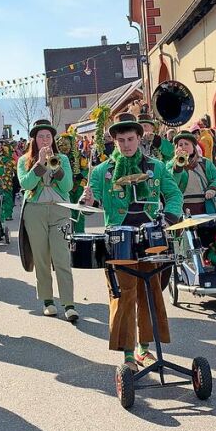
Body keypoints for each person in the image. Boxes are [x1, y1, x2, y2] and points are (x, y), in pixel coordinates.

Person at [81, 113, 183, 369]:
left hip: (150, 235)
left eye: (130, 139)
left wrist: (168, 218)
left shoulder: (155, 167)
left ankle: (144, 348)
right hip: (119, 237)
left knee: (149, 293)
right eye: (121, 141)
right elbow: (86, 206)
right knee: (123, 294)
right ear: (114, 142)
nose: (126, 145)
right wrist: (87, 201)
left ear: (140, 138)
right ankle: (128, 354)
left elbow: (173, 195)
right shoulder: (103, 171)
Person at [17, 119, 77, 322]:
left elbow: (68, 186)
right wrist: (40, 164)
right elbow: (26, 184)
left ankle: (68, 303)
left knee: (62, 258)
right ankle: (48, 300)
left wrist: (56, 167)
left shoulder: (63, 159)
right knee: (41, 258)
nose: (45, 140)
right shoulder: (24, 160)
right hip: (35, 211)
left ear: (53, 139)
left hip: (60, 210)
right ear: (34, 139)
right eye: (41, 136)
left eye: (48, 136)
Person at [168, 131, 216, 217]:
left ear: (193, 147)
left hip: (205, 205)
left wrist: (212, 188)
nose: (184, 147)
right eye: (180, 145)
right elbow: (171, 183)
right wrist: (178, 166)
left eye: (186, 144)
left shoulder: (204, 162)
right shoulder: (171, 165)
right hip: (183, 206)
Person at [56, 127, 88, 233]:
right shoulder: (57, 157)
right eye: (61, 145)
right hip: (64, 188)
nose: (64, 147)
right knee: (66, 213)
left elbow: (86, 169)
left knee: (79, 211)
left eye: (66, 144)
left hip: (78, 186)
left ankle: (80, 234)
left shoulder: (78, 155)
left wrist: (81, 174)